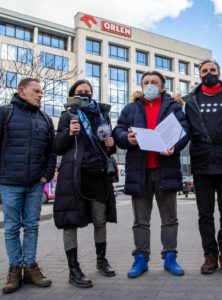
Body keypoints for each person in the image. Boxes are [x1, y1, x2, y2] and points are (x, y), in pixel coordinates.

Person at [113, 71, 189, 278]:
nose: (149, 85)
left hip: (166, 170)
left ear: (162, 86)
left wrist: (175, 144)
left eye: (154, 82)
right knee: (140, 220)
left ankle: (170, 257)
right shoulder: (130, 108)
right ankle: (140, 258)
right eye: (146, 82)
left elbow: (184, 129)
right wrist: (127, 138)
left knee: (169, 218)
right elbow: (118, 131)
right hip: (140, 171)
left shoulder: (173, 107)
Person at [53, 79, 117, 288]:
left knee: (100, 220)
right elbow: (58, 147)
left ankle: (101, 260)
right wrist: (69, 133)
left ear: (92, 94)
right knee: (70, 221)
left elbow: (107, 145)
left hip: (98, 175)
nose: (84, 94)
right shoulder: (67, 115)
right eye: (79, 92)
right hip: (74, 175)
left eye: (87, 91)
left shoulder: (101, 114)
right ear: (73, 95)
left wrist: (111, 144)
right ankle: (73, 269)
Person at [184, 60, 222, 275]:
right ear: (199, 75)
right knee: (205, 213)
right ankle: (210, 255)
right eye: (205, 71)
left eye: (213, 70)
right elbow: (187, 129)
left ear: (219, 73)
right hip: (202, 163)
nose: (209, 73)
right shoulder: (191, 100)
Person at [0, 78, 56, 294]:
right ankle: (15, 269)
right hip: (9, 183)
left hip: (35, 184)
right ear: (21, 91)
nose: (40, 95)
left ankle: (30, 267)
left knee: (32, 227)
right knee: (12, 227)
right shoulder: (5, 113)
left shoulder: (44, 119)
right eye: (36, 91)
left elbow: (51, 152)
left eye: (41, 91)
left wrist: (47, 175)